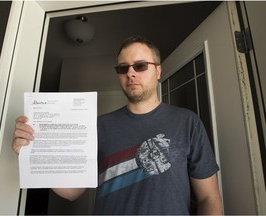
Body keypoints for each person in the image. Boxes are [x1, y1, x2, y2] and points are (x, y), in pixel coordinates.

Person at [13, 35, 222, 215]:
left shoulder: (187, 122)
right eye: (123, 68)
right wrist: (32, 152)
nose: (130, 73)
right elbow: (73, 191)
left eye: (140, 66)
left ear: (158, 71)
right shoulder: (98, 126)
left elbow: (209, 199)